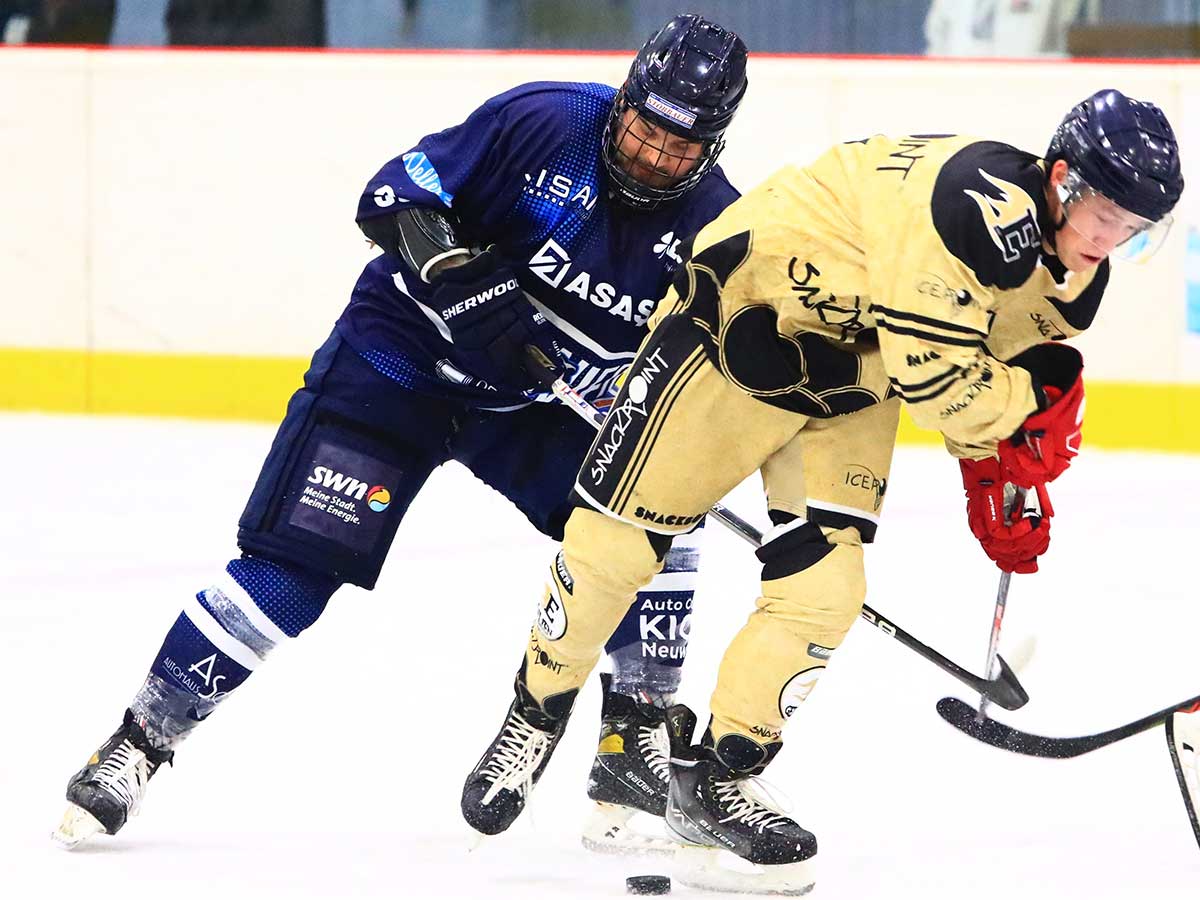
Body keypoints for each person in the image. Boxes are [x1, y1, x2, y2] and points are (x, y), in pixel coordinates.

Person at [54, 14, 748, 853]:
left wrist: (636, 402)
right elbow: (393, 195)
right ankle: (138, 742)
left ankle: (626, 746)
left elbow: (691, 372)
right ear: (627, 97)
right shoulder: (546, 121)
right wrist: (458, 275)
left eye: (684, 145)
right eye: (646, 129)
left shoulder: (717, 226)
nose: (654, 157)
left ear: (715, 142)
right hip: (396, 369)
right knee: (292, 574)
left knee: (661, 525)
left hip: (530, 409)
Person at [459, 89, 1182, 893]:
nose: (1110, 240)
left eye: (1133, 228)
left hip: (852, 376)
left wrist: (995, 474)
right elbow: (942, 376)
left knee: (826, 586)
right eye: (1107, 214)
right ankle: (537, 707)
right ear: (1061, 179)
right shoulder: (974, 205)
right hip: (742, 325)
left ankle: (717, 778)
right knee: (614, 546)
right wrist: (1025, 414)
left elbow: (986, 364)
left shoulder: (1075, 279)